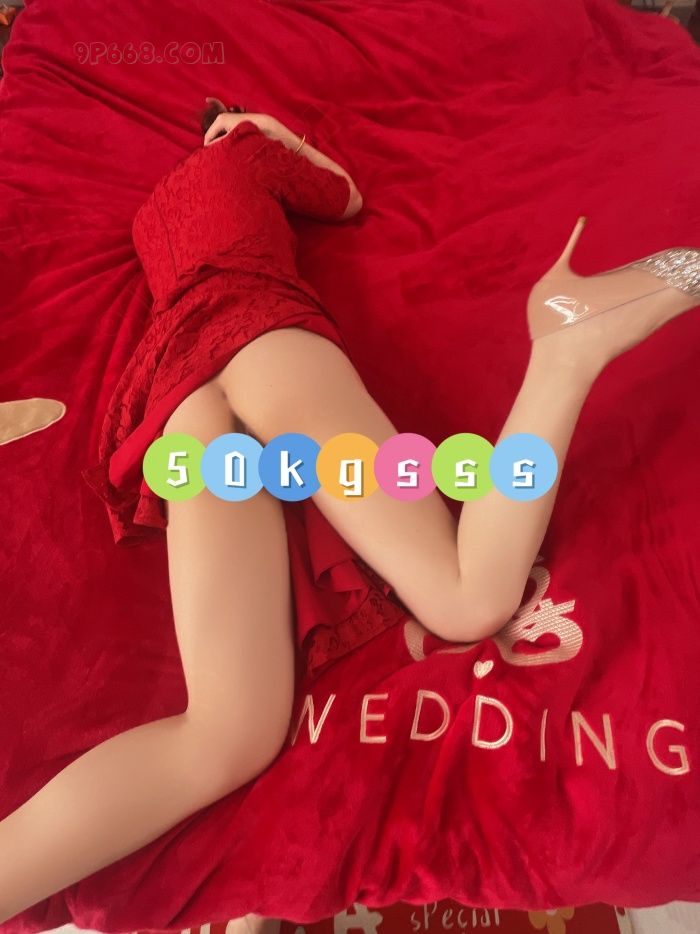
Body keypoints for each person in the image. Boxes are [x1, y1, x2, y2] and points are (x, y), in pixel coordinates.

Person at [1, 99, 698, 924]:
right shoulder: (246, 153)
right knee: (465, 598)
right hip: (261, 342)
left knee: (224, 736)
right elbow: (343, 196)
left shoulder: (151, 213)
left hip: (179, 399)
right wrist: (270, 133)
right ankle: (564, 351)